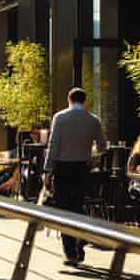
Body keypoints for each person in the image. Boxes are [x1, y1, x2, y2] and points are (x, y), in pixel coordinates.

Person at [43, 87, 106, 266]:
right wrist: (91, 156)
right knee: (78, 205)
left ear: (68, 99)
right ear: (84, 101)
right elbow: (103, 146)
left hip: (62, 168)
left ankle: (70, 251)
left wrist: (47, 170)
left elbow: (53, 146)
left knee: (64, 208)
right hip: (81, 168)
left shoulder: (60, 118)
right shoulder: (93, 120)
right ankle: (80, 240)